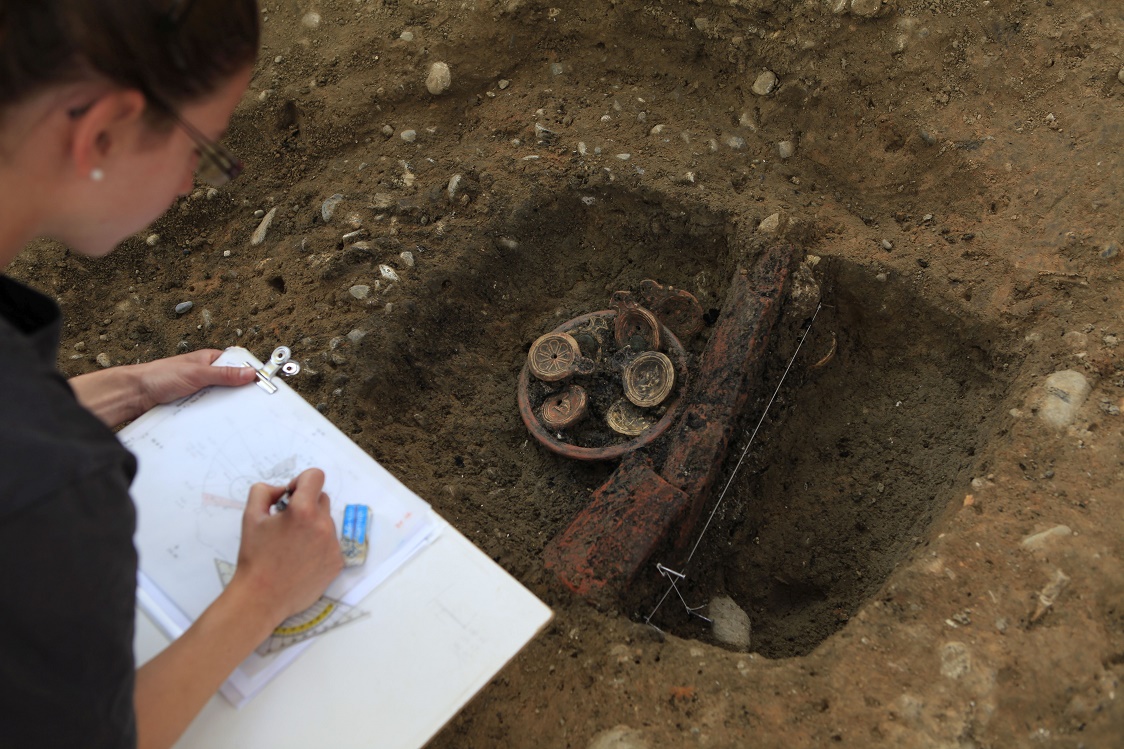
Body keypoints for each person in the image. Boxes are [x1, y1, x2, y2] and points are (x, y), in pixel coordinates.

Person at [0, 1, 343, 747]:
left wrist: (122, 389)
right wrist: (263, 592)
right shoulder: (52, 489)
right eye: (200, 148)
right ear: (103, 133)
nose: (191, 184)